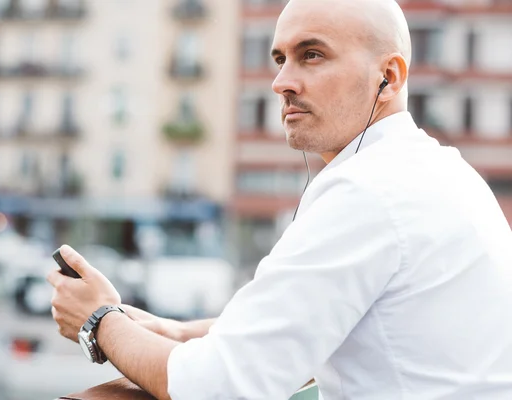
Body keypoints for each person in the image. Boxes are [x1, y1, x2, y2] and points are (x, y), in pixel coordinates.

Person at [47, 0, 512, 398]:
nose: (281, 82)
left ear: (387, 78)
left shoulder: (367, 191)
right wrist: (177, 332)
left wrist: (99, 320)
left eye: (311, 55)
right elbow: (309, 321)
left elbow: (219, 387)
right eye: (280, 59)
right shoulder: (443, 171)